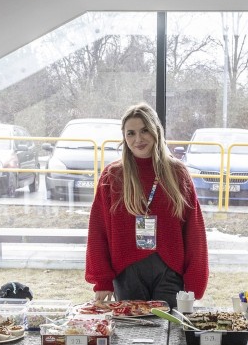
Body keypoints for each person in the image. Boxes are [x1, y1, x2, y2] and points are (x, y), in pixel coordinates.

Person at [85, 102, 209, 307]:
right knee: (132, 325)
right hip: (126, 271)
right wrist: (102, 279)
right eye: (131, 133)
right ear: (124, 138)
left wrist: (195, 281)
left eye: (144, 131)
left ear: (156, 131)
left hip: (170, 271)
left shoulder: (177, 173)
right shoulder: (113, 176)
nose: (138, 139)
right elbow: (98, 231)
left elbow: (194, 231)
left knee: (169, 324)